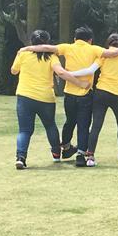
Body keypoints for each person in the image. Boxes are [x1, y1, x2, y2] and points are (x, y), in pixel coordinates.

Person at [20, 25, 118, 166]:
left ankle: (65, 146)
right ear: (90, 40)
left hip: (69, 93)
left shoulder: (67, 47)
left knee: (70, 121)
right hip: (85, 94)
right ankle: (81, 155)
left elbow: (46, 47)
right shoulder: (94, 49)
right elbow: (111, 53)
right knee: (83, 125)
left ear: (75, 38)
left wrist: (28, 48)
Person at [11, 30, 91, 169]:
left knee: (24, 130)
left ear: (32, 42)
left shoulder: (23, 54)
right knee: (50, 125)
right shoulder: (51, 57)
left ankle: (21, 157)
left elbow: (14, 71)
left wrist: (20, 57)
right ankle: (56, 153)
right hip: (45, 98)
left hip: (24, 96)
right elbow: (61, 73)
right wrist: (80, 83)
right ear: (47, 43)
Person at [69, 33, 118, 167]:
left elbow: (89, 70)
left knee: (96, 125)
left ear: (109, 43)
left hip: (101, 92)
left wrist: (70, 73)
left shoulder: (104, 55)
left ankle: (90, 156)